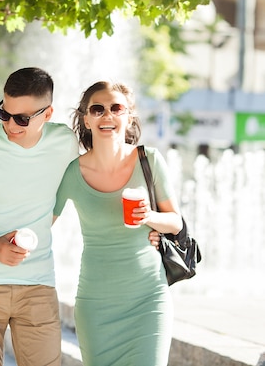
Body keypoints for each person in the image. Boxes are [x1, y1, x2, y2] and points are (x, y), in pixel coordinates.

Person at [0, 67, 80, 366]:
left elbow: (75, 187)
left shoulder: (65, 142)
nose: (11, 124)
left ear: (47, 115)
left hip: (38, 283)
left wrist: (45, 222)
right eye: (4, 114)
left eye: (22, 119)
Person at [53, 81, 182, 366]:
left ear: (129, 116)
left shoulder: (150, 160)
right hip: (96, 305)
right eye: (97, 109)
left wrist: (149, 217)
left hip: (149, 298)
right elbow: (42, 223)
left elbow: (175, 223)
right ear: (86, 119)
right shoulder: (72, 173)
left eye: (116, 108)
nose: (107, 115)